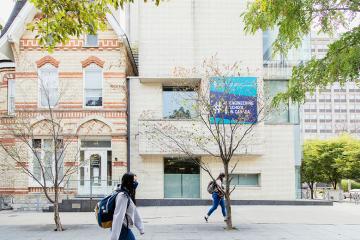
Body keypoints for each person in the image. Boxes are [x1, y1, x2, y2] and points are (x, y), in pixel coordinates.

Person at [111, 173, 144, 240]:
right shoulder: (122, 196)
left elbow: (134, 211)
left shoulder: (127, 194)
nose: (136, 183)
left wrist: (140, 228)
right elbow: (118, 216)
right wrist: (114, 237)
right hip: (122, 230)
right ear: (128, 182)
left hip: (125, 229)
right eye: (134, 181)